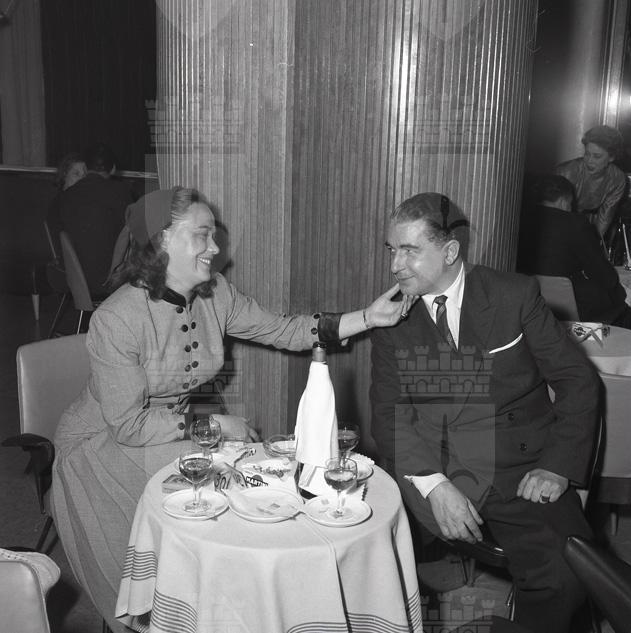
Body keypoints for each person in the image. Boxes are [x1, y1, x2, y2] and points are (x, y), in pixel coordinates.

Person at [51, 186, 412, 633]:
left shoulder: (215, 293)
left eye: (214, 235)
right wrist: (213, 424)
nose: (214, 247)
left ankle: (237, 604)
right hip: (101, 445)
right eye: (201, 235)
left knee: (236, 476)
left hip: (162, 430)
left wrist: (368, 318)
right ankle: (194, 606)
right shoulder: (116, 318)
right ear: (162, 240)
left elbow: (282, 329)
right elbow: (127, 424)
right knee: (222, 478)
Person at [370, 192, 599, 633]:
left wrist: (557, 466)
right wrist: (436, 486)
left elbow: (577, 381)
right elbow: (389, 416)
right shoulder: (392, 318)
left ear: (450, 252)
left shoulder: (513, 294)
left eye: (410, 251)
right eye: (392, 250)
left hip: (521, 466)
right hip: (440, 465)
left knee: (568, 575)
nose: (396, 264)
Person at [518, 174, 631, 330]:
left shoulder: (519, 218)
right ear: (564, 200)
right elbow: (602, 273)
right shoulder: (574, 223)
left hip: (530, 303)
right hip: (572, 308)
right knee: (625, 309)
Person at [59, 142, 133, 298]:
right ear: (113, 169)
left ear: (86, 168)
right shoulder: (121, 192)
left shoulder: (67, 196)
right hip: (110, 281)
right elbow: (127, 235)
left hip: (72, 279)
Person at [555, 125, 627, 238]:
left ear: (611, 157)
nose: (589, 161)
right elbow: (556, 216)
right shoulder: (566, 172)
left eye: (597, 156)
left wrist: (593, 242)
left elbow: (604, 219)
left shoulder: (617, 179)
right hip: (559, 224)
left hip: (588, 225)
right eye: (587, 154)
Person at [45, 152, 87, 258]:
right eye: (76, 174)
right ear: (64, 175)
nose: (82, 180)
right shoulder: (61, 203)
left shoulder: (77, 202)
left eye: (85, 175)